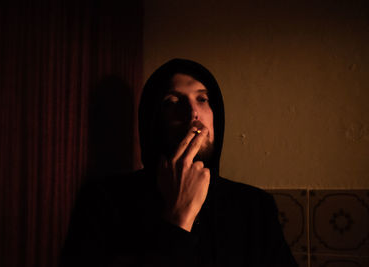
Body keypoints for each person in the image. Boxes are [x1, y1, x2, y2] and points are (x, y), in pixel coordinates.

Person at [60, 59, 297, 266]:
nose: (192, 111)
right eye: (172, 102)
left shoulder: (254, 207)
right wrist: (178, 219)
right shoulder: (103, 201)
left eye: (202, 99)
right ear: (153, 122)